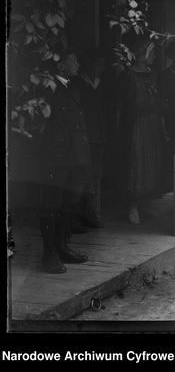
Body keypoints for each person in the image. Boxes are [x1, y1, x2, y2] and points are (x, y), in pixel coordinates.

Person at [39, 51, 91, 273]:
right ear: (60, 66)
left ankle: (61, 247)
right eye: (74, 60)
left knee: (68, 203)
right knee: (50, 205)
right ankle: (49, 253)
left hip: (75, 156)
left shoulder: (72, 87)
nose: (78, 63)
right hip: (57, 157)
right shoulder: (47, 88)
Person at [117, 36, 168, 224]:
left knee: (151, 163)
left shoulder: (152, 73)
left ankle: (145, 204)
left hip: (152, 123)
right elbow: (123, 104)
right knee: (136, 163)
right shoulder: (128, 75)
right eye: (151, 52)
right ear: (141, 54)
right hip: (136, 125)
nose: (154, 56)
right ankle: (132, 206)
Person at [70, 48, 107, 229]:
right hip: (83, 135)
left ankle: (92, 214)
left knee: (95, 175)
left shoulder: (102, 83)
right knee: (80, 176)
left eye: (102, 65)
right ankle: (77, 217)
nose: (100, 68)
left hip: (98, 135)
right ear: (89, 64)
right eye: (98, 64)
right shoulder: (77, 82)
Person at [158, 40, 175, 192]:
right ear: (173, 56)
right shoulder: (165, 75)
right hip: (171, 116)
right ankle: (170, 182)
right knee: (172, 147)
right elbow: (162, 98)